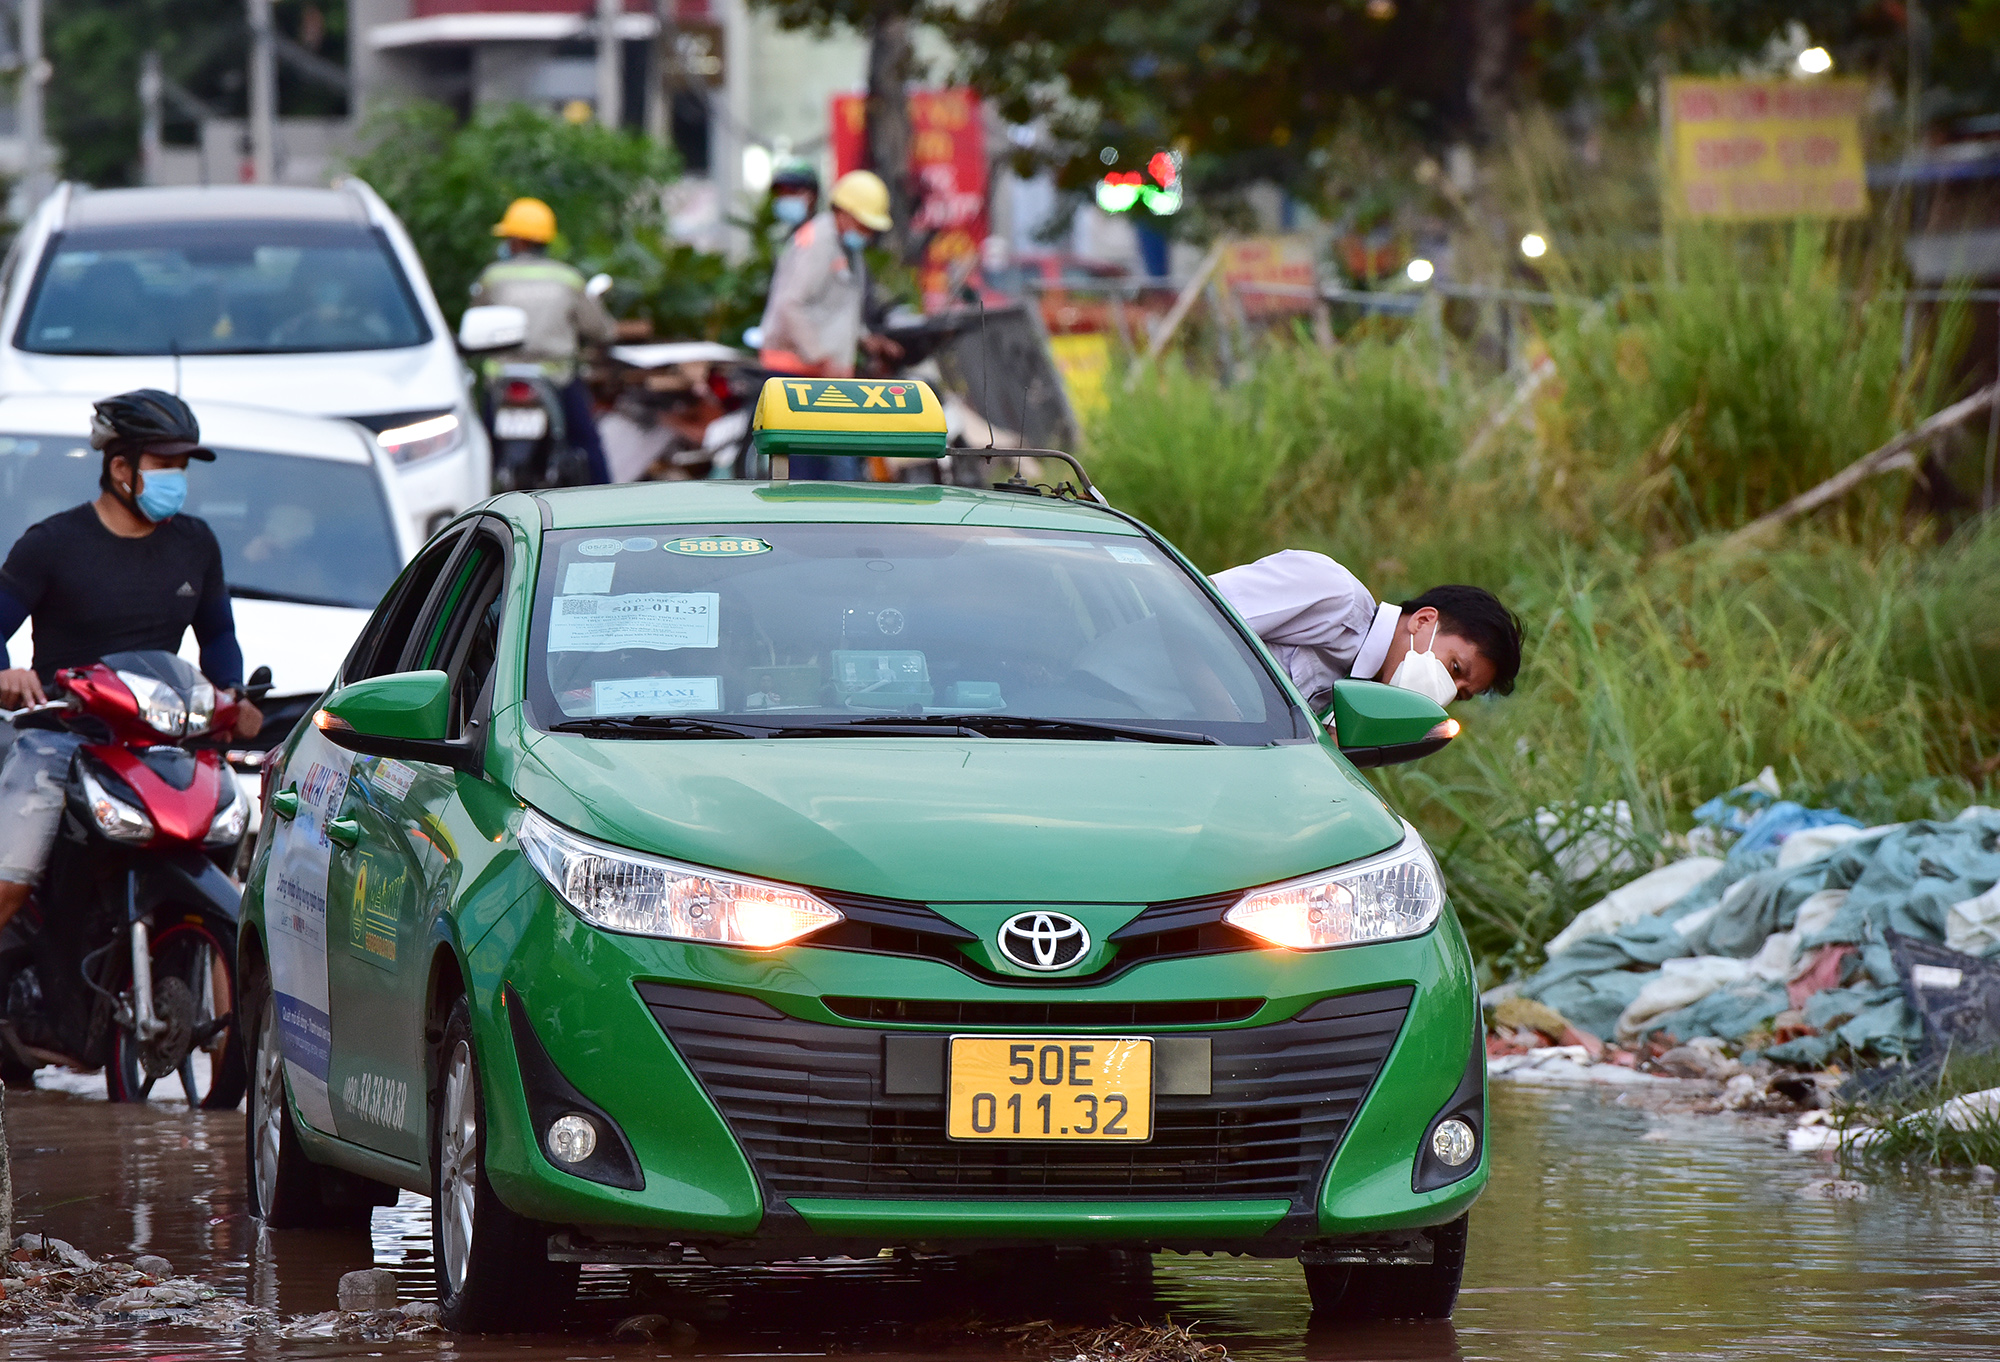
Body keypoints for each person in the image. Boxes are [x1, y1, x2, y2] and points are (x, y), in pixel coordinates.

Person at [0, 390, 263, 935]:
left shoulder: (196, 544)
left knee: (223, 889)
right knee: (8, 886)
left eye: (182, 466)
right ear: (120, 467)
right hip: (59, 740)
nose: (177, 479)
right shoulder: (51, 543)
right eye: (164, 465)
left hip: (162, 749)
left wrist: (233, 693)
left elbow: (218, 634)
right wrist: (6, 673)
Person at [1211, 549, 1522, 711]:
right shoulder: (1336, 596)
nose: (1446, 692)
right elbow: (1194, 610)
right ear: (1423, 621)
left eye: (1460, 694)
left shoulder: (1356, 707)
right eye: (1454, 669)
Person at [757, 169, 905, 480]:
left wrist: (868, 340)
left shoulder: (847, 248)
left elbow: (839, 308)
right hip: (796, 376)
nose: (867, 233)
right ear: (844, 214)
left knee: (835, 471)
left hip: (824, 379)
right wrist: (820, 356)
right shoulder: (817, 243)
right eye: (863, 224)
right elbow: (790, 305)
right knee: (807, 475)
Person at [471, 197, 619, 483]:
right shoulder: (568, 279)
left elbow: (475, 323)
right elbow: (600, 330)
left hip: (500, 381)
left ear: (517, 240)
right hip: (556, 380)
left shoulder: (492, 277)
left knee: (484, 449)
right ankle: (606, 500)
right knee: (587, 443)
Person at [768, 161, 821, 235]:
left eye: (792, 192)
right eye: (781, 193)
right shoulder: (783, 234)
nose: (786, 198)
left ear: (813, 195)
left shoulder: (824, 233)